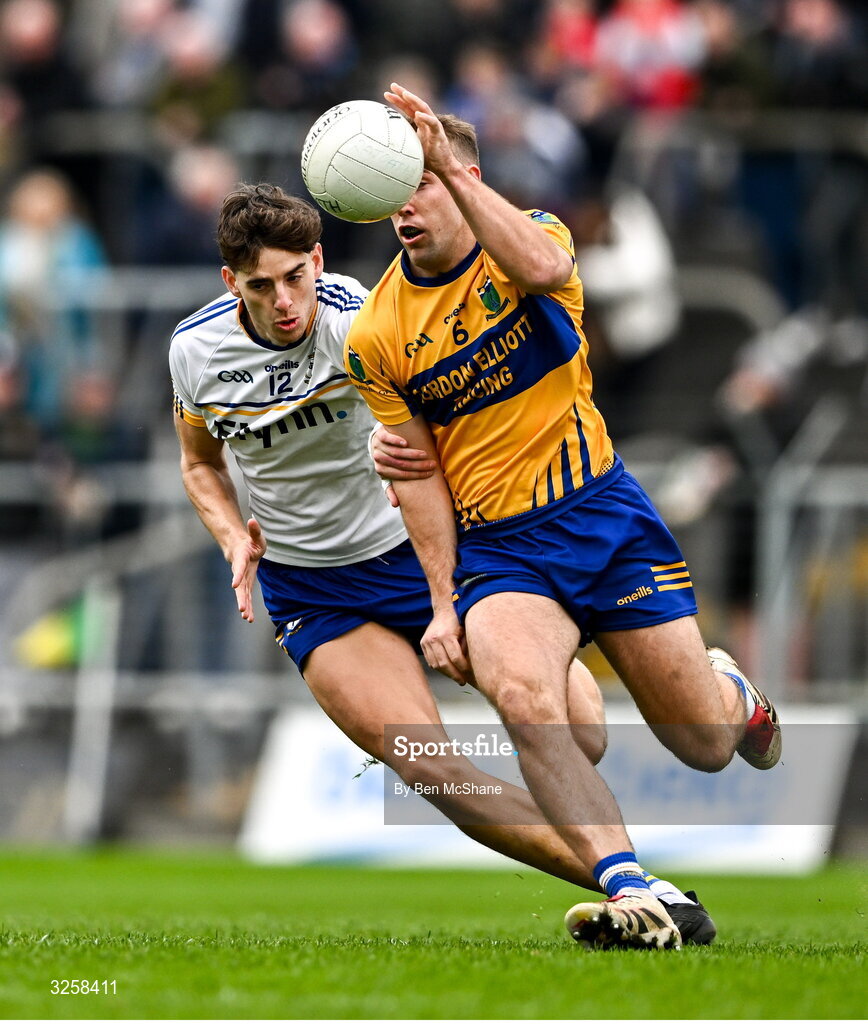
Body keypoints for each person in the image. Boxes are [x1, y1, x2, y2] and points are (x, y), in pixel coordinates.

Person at [169, 182, 716, 947]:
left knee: (577, 735)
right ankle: (639, 892)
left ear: (317, 260)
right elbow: (199, 465)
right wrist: (231, 534)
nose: (285, 300)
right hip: (312, 591)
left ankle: (683, 759)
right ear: (232, 283)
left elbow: (447, 422)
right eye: (261, 287)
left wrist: (408, 470)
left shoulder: (363, 318)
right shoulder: (193, 351)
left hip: (415, 555)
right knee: (432, 768)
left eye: (295, 277)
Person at [344, 84, 782, 951]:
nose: (406, 208)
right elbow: (418, 476)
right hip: (503, 550)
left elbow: (546, 275)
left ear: (460, 176)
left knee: (702, 741)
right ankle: (638, 897)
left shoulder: (533, 238)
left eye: (421, 184)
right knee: (525, 701)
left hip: (604, 517)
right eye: (393, 193)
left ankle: (733, 692)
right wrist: (440, 602)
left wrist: (454, 169)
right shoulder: (377, 335)